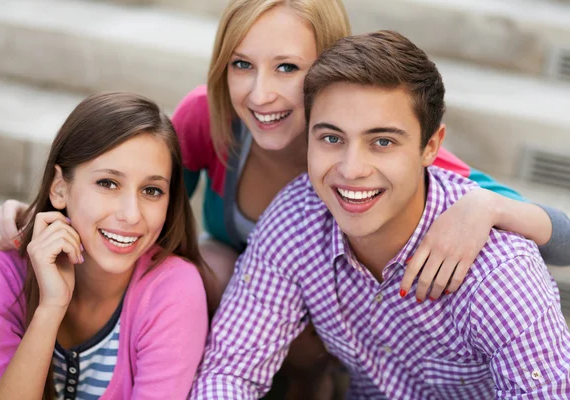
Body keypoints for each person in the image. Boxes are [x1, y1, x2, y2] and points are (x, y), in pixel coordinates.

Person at [0, 0, 570, 396]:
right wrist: (40, 216)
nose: (261, 92)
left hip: (343, 332)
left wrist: (489, 208)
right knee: (208, 267)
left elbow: (558, 237)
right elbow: (135, 204)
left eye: (287, 67)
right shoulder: (215, 129)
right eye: (242, 65)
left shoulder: (418, 175)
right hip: (277, 297)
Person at [190, 30, 570, 399]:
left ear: (430, 147)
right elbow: (231, 371)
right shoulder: (296, 219)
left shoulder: (499, 273)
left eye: (382, 142)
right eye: (332, 138)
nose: (352, 168)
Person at [0, 93, 208, 399]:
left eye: (151, 190)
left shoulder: (172, 291)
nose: (131, 214)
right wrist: (50, 309)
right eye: (108, 183)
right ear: (59, 188)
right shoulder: (6, 266)